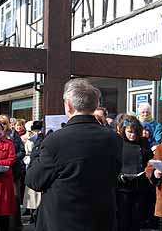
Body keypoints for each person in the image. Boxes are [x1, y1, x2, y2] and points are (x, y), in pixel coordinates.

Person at [25, 78, 123, 231]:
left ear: (68, 106)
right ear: (96, 105)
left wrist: (38, 146)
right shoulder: (113, 139)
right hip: (101, 219)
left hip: (62, 221)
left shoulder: (55, 141)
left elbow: (34, 180)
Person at [116, 114, 153, 231]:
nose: (132, 135)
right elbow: (113, 163)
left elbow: (149, 160)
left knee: (137, 219)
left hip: (140, 187)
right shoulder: (118, 143)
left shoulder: (143, 143)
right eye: (129, 132)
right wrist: (119, 176)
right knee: (123, 220)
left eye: (135, 132)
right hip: (123, 188)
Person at [0, 114, 25, 231]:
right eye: (0, 123)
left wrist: (12, 159)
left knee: (14, 197)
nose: (2, 125)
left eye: (4, 123)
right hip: (0, 173)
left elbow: (21, 151)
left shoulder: (13, 135)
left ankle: (15, 225)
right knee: (0, 198)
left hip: (13, 171)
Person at [22, 121, 44, 224]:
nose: (36, 132)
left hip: (36, 166)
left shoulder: (42, 138)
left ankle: (35, 215)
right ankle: (32, 214)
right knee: (31, 195)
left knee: (36, 195)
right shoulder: (29, 138)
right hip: (30, 166)